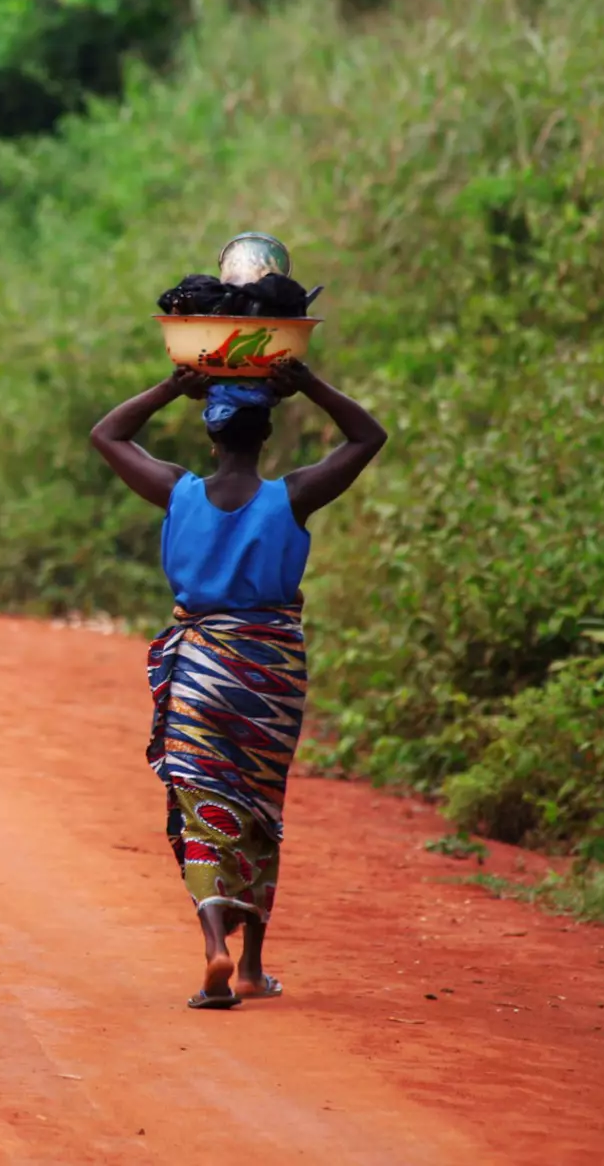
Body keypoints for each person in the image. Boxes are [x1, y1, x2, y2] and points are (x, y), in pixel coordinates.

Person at [89, 359, 387, 1009]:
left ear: (211, 436)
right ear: (263, 437)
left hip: (198, 665)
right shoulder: (293, 496)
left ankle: (212, 949)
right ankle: (252, 965)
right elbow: (368, 437)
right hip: (267, 675)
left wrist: (171, 384)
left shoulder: (177, 491)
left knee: (201, 805)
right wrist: (306, 380)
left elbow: (107, 435)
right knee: (258, 806)